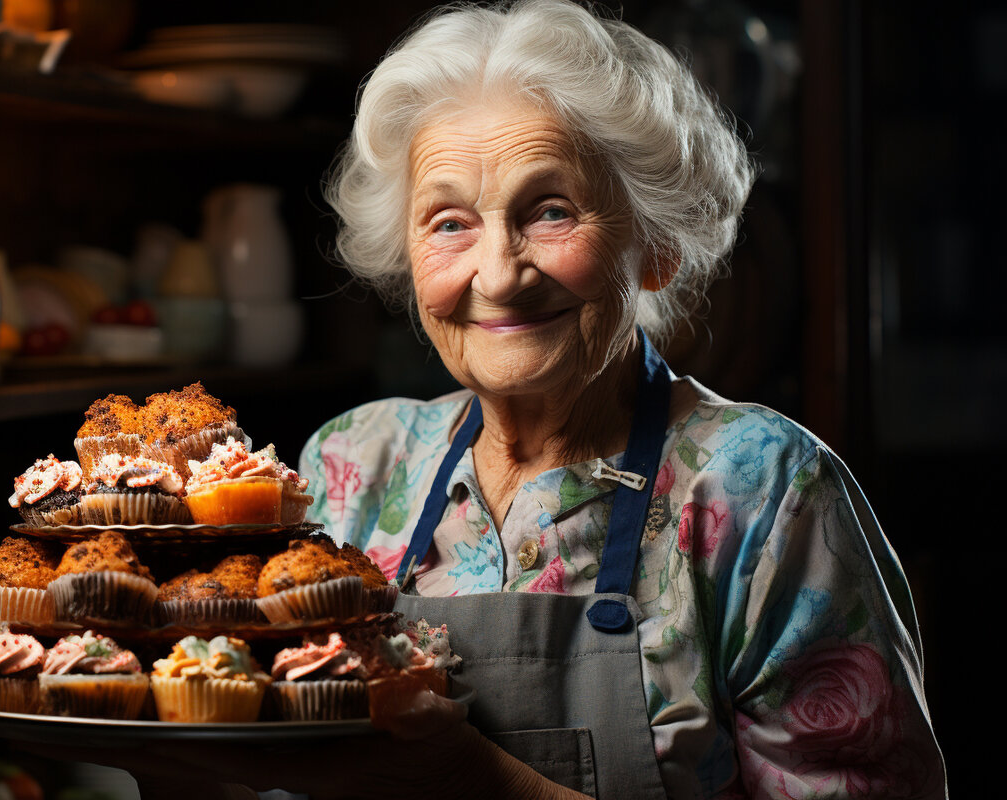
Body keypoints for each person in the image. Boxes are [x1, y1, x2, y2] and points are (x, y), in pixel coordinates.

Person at [82, 2, 946, 797]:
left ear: (654, 247)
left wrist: (470, 775)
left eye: (550, 212)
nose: (497, 275)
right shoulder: (352, 465)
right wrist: (168, 758)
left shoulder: (763, 487)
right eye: (449, 222)